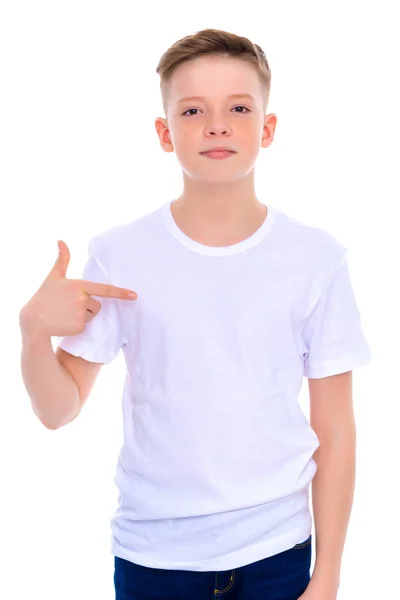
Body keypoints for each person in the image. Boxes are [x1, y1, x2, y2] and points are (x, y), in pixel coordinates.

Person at [20, 28, 372, 600]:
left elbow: (335, 428)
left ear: (268, 127)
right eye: (192, 110)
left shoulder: (317, 259)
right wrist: (33, 334)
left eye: (238, 107)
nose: (217, 124)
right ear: (165, 133)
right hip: (153, 555)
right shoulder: (119, 253)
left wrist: (328, 572)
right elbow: (58, 411)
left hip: (277, 552)